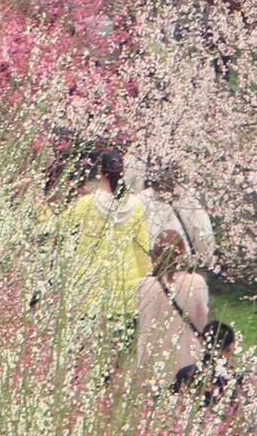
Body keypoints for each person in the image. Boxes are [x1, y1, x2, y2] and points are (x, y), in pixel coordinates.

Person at [63, 150, 151, 351]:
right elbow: (142, 250)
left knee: (88, 353)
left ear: (101, 173)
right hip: (125, 292)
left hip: (90, 290)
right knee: (118, 355)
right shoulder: (136, 206)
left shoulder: (86, 204)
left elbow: (59, 228)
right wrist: (145, 284)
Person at [135, 230, 210, 388]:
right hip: (187, 360)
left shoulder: (144, 286)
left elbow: (142, 322)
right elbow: (202, 321)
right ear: (182, 253)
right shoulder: (196, 282)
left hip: (151, 362)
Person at [138, 160, 217, 266]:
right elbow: (205, 237)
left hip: (166, 269)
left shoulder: (186, 196)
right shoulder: (188, 198)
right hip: (179, 268)